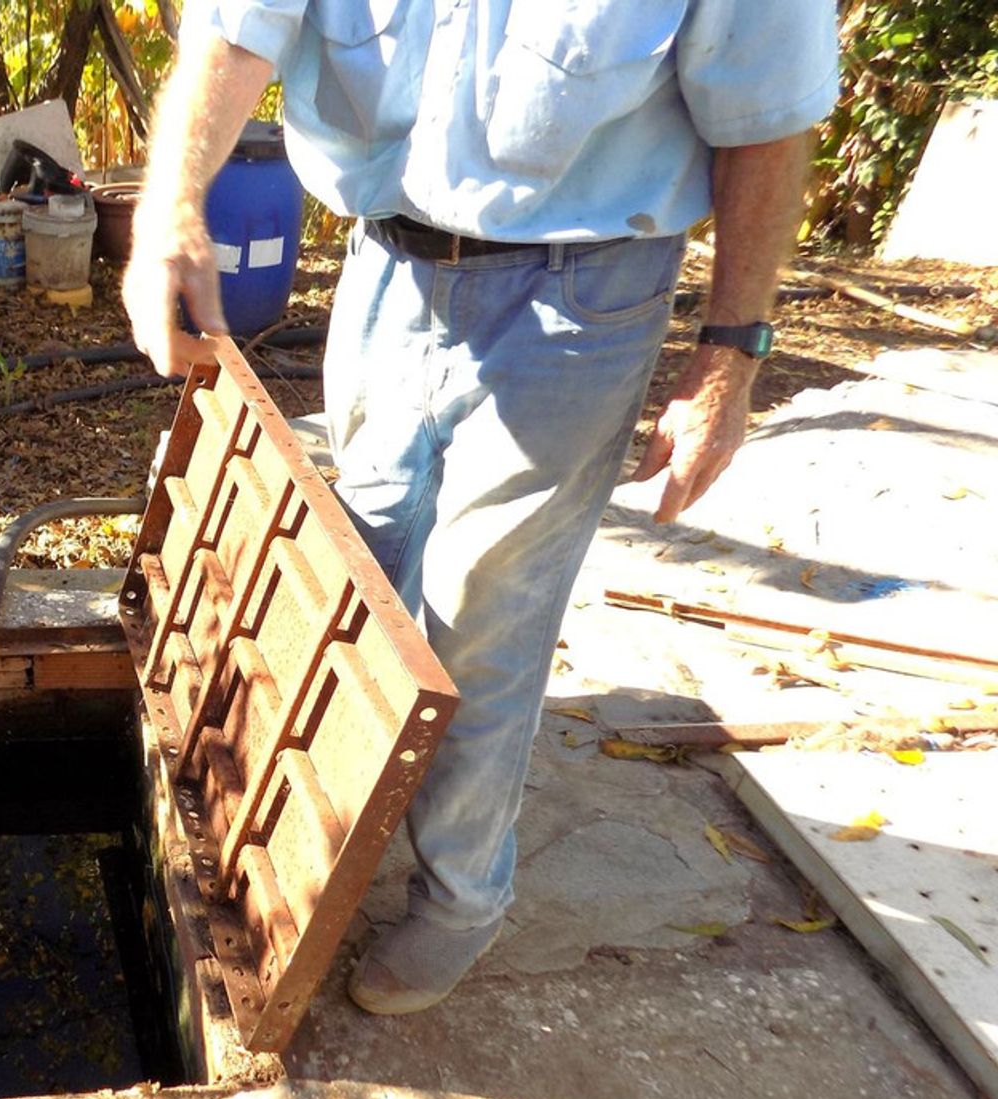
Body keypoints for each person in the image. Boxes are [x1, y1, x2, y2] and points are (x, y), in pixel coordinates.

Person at [122, 1, 839, 1014]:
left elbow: (768, 113)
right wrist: (170, 206)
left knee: (479, 607)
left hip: (583, 288)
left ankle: (461, 895)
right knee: (360, 569)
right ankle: (342, 825)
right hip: (385, 266)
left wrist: (731, 350)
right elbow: (241, 24)